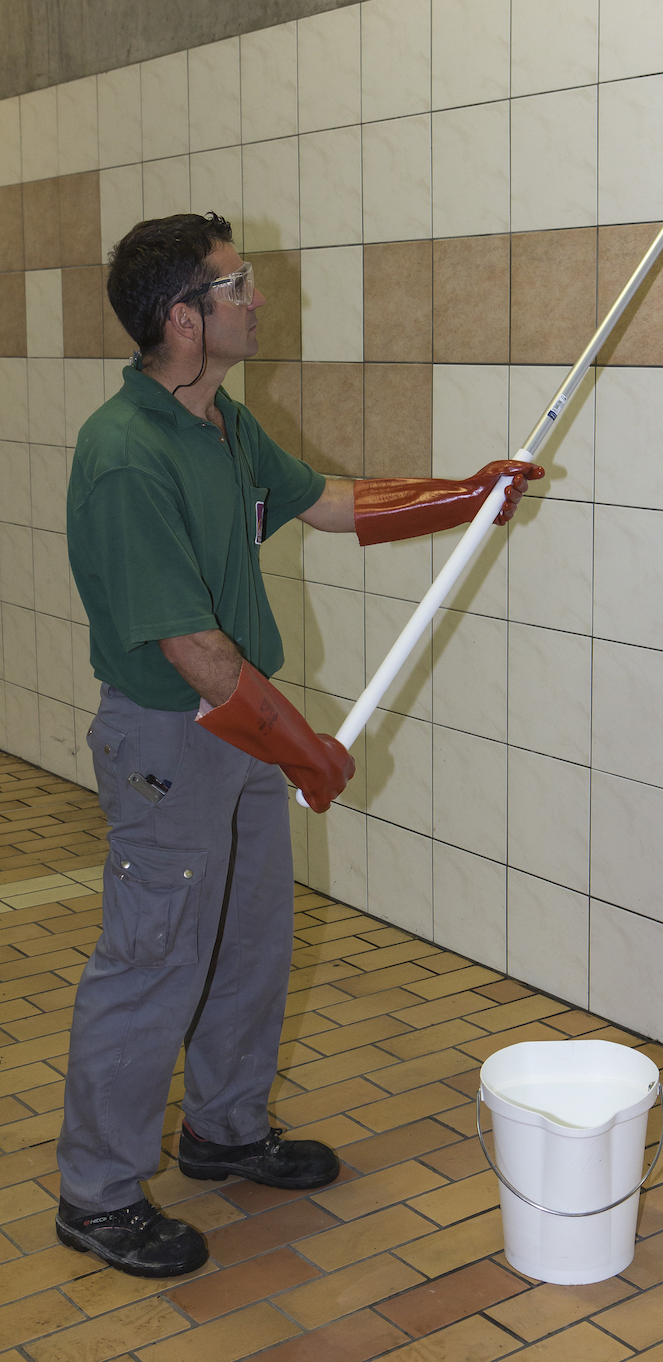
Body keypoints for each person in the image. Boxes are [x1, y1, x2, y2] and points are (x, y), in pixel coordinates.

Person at [56, 212, 543, 1279]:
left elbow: (326, 502)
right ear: (183, 318)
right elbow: (191, 649)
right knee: (150, 964)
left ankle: (225, 1131)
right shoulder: (123, 455)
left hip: (236, 735)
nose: (257, 301)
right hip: (170, 740)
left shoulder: (220, 425)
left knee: (249, 943)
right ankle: (97, 1193)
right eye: (237, 287)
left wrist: (466, 497)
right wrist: (306, 751)